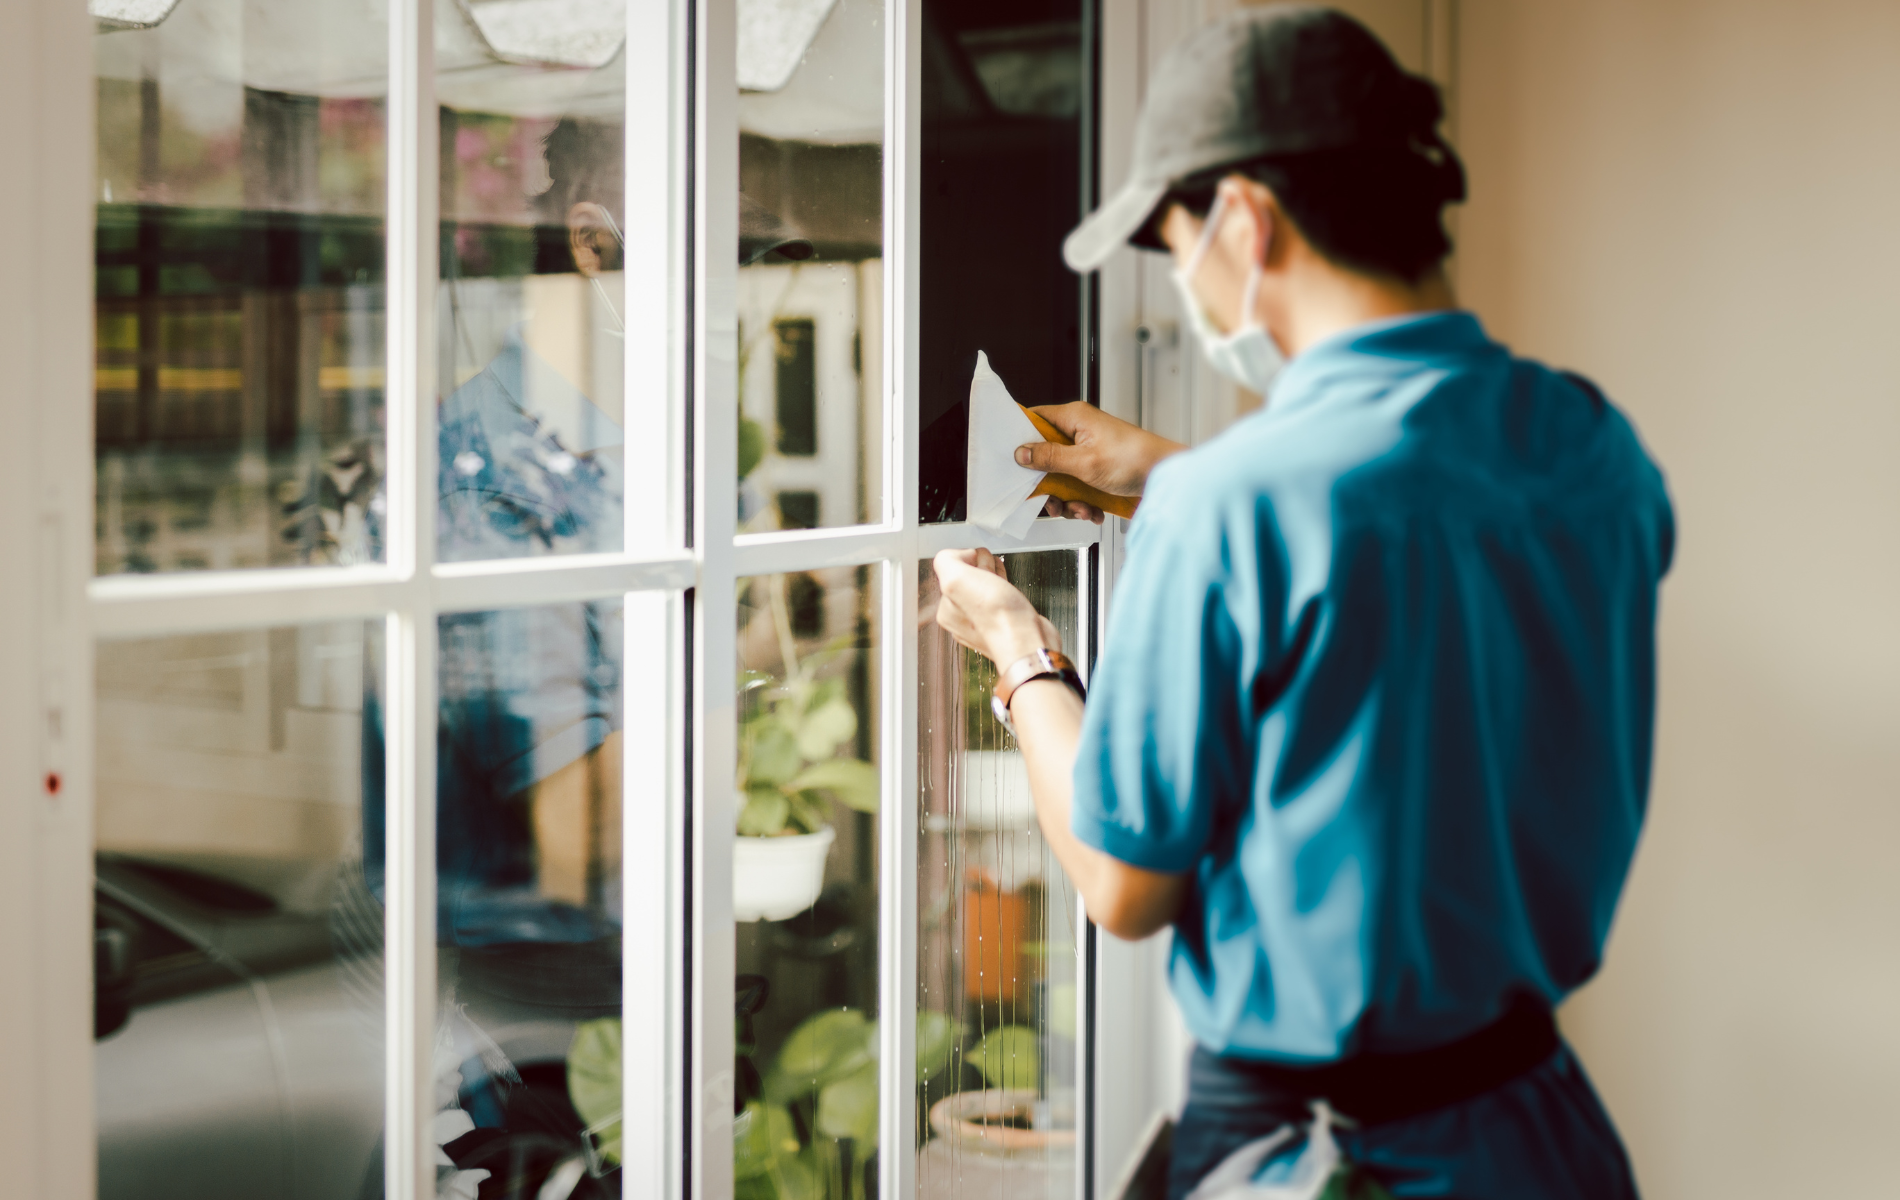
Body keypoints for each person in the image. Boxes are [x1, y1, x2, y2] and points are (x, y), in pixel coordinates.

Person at [932, 7, 1673, 1199]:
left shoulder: (1231, 507)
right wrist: (1163, 476)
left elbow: (1126, 886)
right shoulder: (1586, 441)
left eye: (1174, 245)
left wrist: (1019, 653)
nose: (1181, 281)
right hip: (1540, 1132)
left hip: (1329, 1157)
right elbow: (1415, 538)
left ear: (1243, 219)